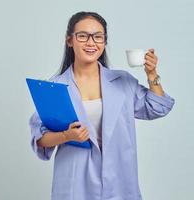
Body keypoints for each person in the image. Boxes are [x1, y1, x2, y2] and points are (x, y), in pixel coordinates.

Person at [29, 11, 175, 200]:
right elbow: (39, 138)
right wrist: (66, 135)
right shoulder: (54, 88)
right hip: (75, 181)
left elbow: (157, 107)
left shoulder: (123, 82)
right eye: (83, 36)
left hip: (119, 180)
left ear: (104, 42)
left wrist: (152, 74)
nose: (91, 43)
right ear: (70, 40)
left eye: (98, 37)